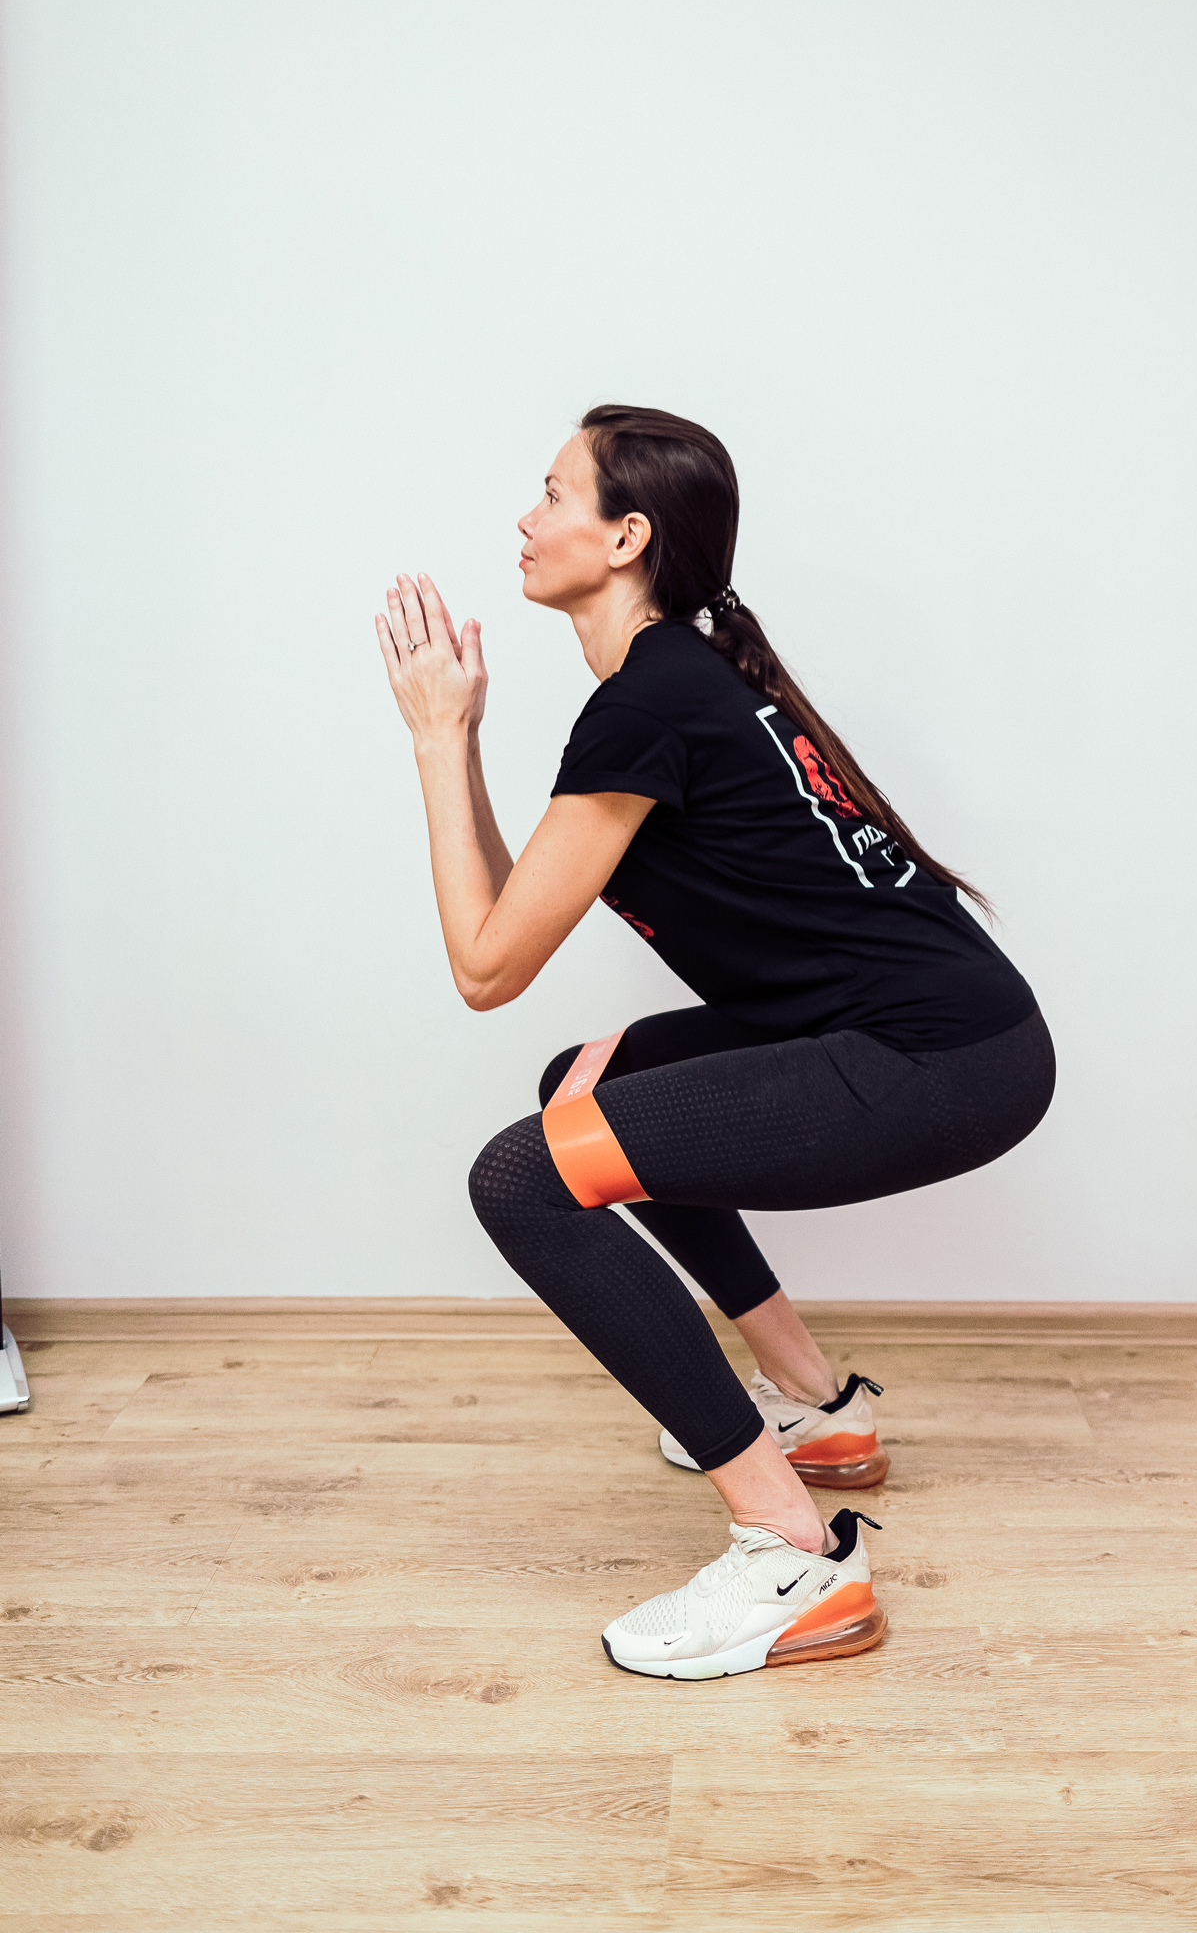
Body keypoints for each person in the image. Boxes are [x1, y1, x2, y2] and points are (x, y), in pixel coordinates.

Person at [374, 404, 1054, 1681]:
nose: (526, 518)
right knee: (589, 1085)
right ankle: (815, 1412)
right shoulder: (674, 681)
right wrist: (459, 741)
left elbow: (482, 967)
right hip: (958, 1029)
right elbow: (511, 927)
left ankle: (792, 1553)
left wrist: (434, 738)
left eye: (553, 494)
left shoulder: (651, 702)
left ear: (626, 536)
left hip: (944, 1059)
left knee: (522, 1177)